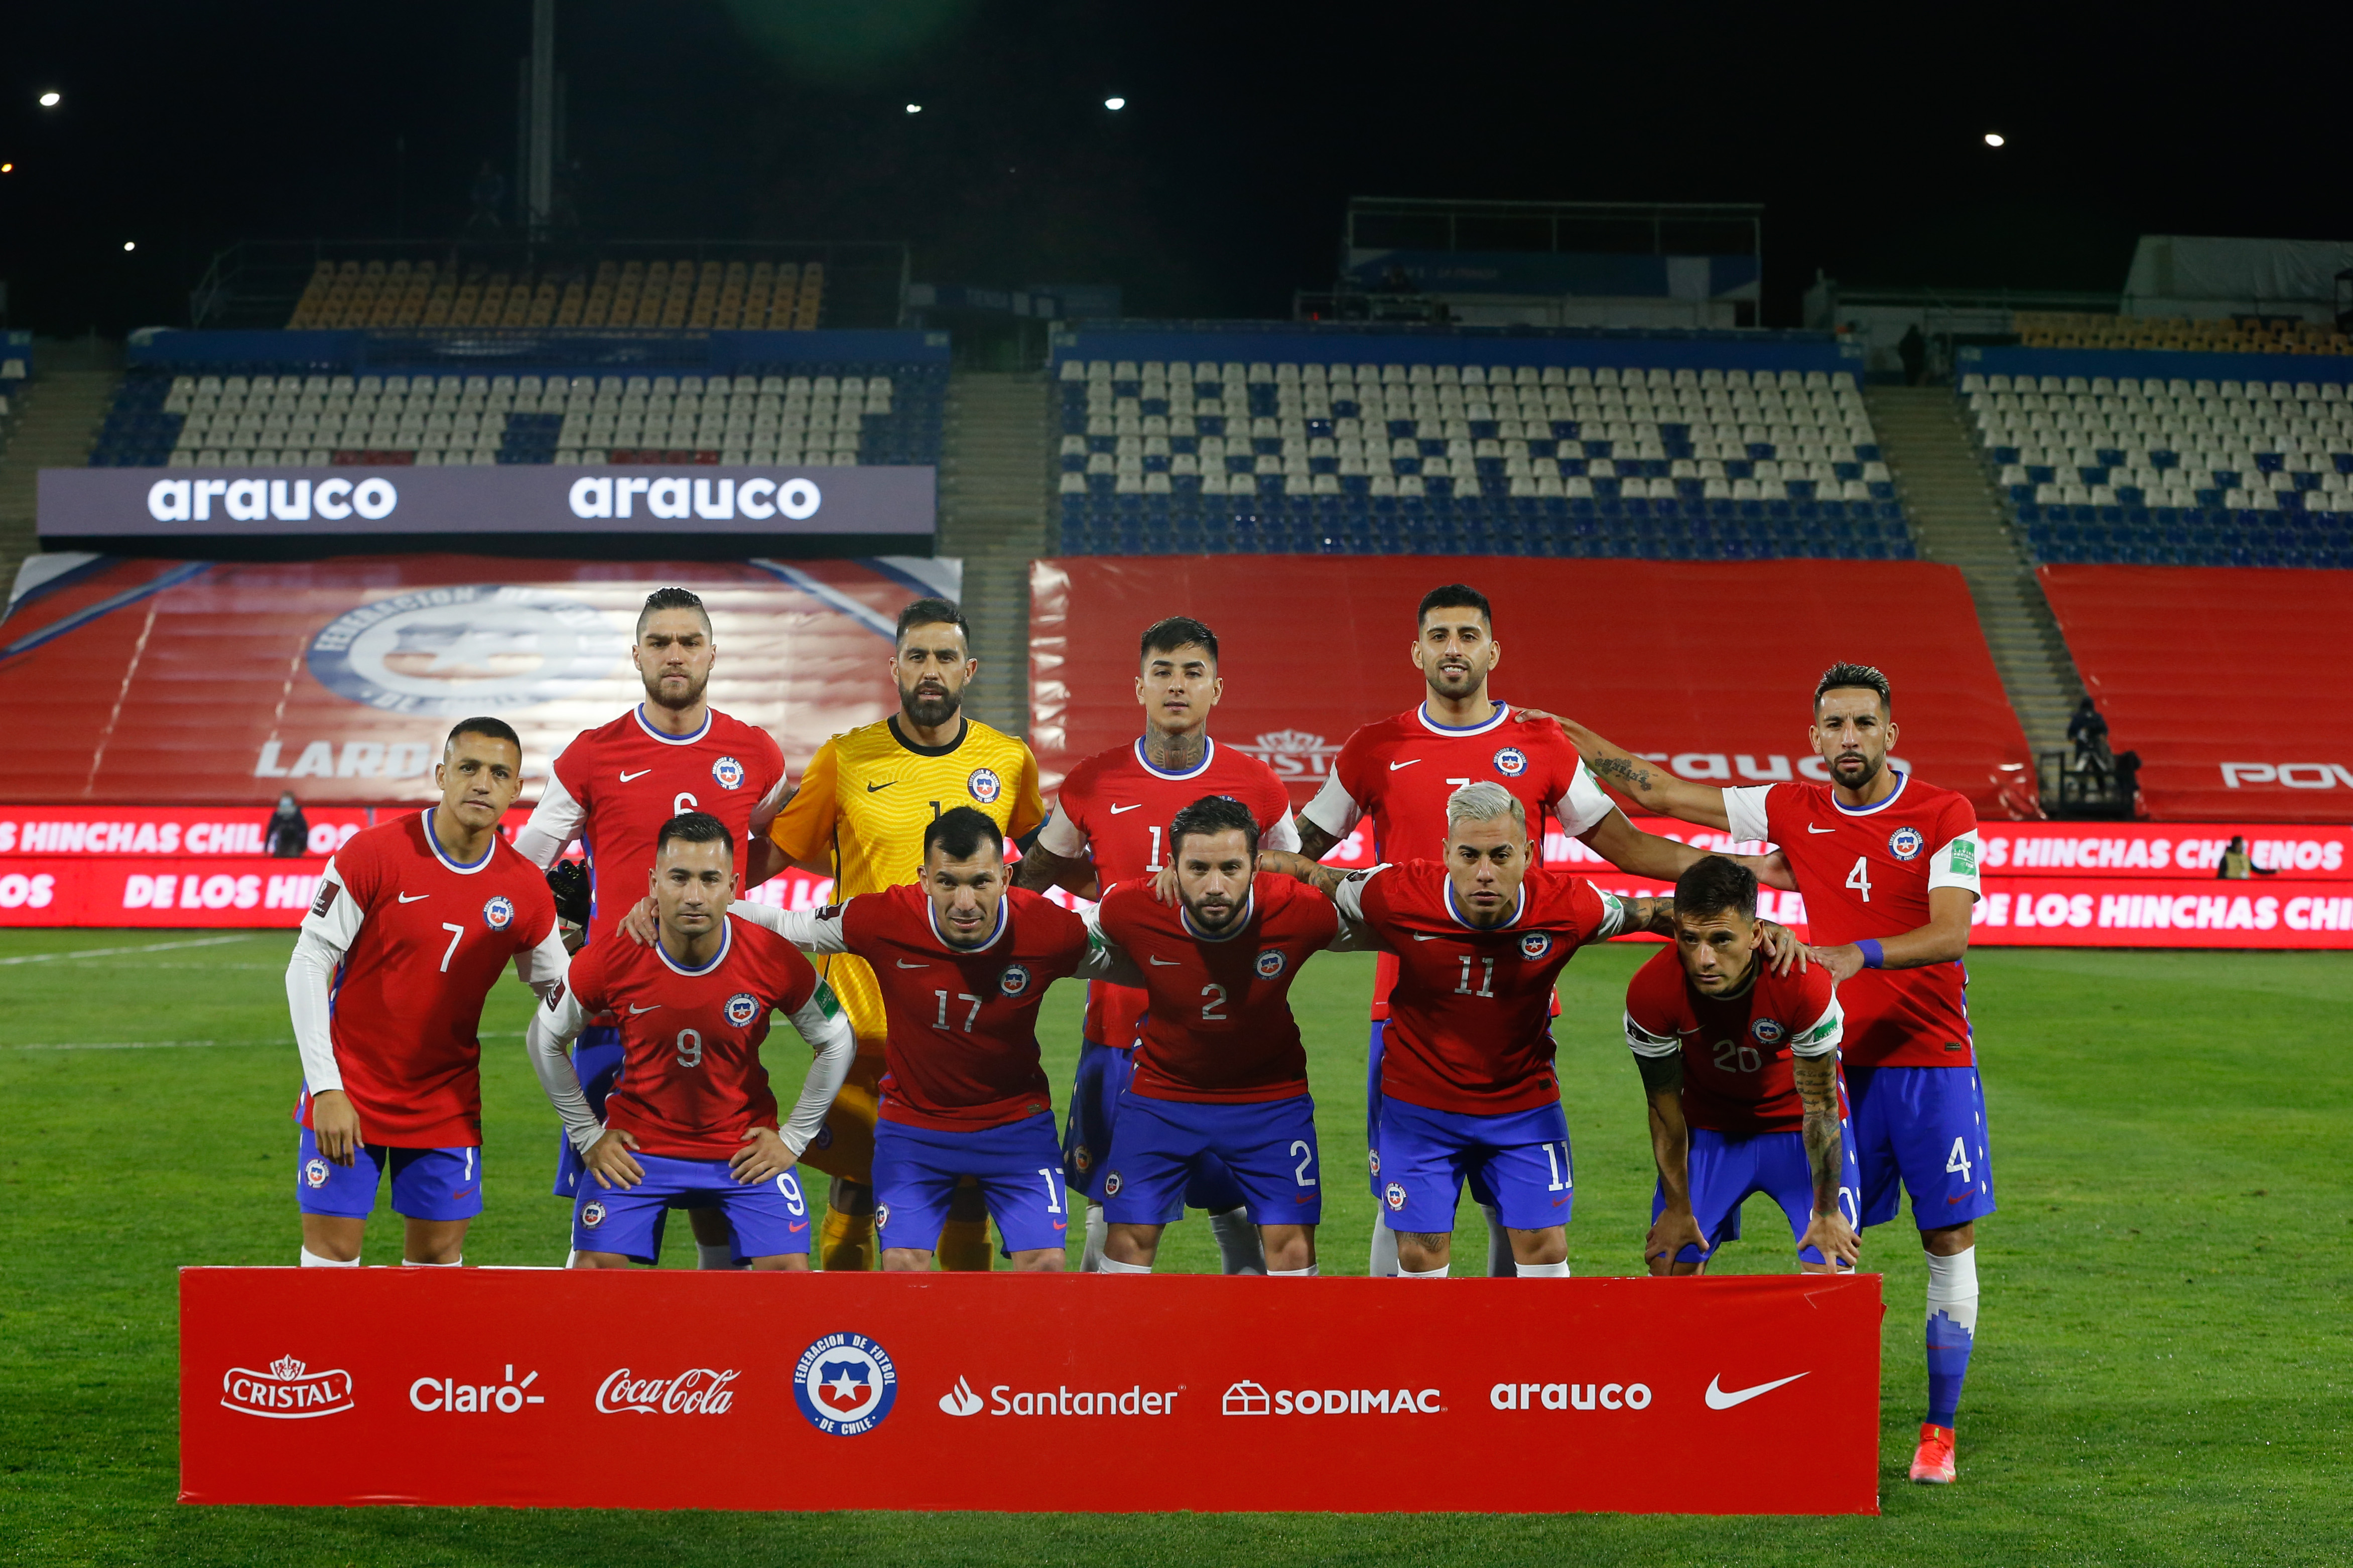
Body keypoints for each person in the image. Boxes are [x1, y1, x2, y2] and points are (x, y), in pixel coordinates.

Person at [1556, 662, 1989, 1487]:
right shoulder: (1792, 806)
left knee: (1945, 1239)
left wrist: (1848, 953)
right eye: (1834, 726)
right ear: (1814, 737)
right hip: (1820, 1063)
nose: (1849, 739)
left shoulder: (1943, 813)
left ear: (1890, 733)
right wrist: (1570, 744)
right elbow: (1664, 796)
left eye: (1864, 724)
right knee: (1828, 1246)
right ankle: (1763, 1414)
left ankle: (1937, 1430)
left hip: (1924, 1062)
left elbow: (1949, 935)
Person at [1291, 582, 1790, 1278]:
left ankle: (1507, 1365)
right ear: (1417, 651)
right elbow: (1297, 852)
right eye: (1439, 636)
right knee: (1401, 1202)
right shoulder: (1373, 747)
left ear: (1493, 649)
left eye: (1468, 635)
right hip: (1404, 1007)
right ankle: (1397, 1356)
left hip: (1521, 1003)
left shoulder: (1540, 743)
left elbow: (1630, 848)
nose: (1454, 649)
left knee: (1516, 1200)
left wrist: (1743, 872)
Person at [1258, 782, 1689, 1278]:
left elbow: (1656, 913)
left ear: (1528, 854)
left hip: (1523, 1107)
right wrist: (1243, 869)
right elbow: (1315, 873)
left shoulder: (1569, 905)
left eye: (1500, 854)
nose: (1484, 872)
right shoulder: (1397, 892)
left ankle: (1531, 1356)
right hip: (1419, 1106)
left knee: (1545, 1246)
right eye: (1468, 854)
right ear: (1446, 853)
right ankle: (1423, 1355)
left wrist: (1759, 931)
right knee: (1419, 1251)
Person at [756, 596, 1044, 1272]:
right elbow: (772, 855)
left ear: (969, 667)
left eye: (945, 656)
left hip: (969, 1018)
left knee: (968, 1190)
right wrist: (693, 891)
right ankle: (847, 1337)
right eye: (917, 656)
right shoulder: (846, 758)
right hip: (865, 1017)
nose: (931, 669)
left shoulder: (1008, 760)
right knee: (856, 1184)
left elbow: (1036, 865)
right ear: (894, 666)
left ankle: (957, 1348)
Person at [727, 808, 1134, 1270]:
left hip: (1016, 1126)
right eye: (948, 882)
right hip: (914, 1127)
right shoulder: (886, 918)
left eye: (981, 882)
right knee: (903, 1263)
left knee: (1044, 1264)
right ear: (924, 879)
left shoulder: (1046, 928)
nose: (965, 901)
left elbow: (1131, 966)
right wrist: (700, 904)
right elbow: (789, 925)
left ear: (1005, 877)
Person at [514, 586, 790, 1269]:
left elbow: (772, 843)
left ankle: (716, 1368)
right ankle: (610, 1362)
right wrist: (557, 961)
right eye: (661, 642)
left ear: (713, 655)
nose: (676, 655)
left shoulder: (756, 753)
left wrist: (723, 901)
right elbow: (522, 871)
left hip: (721, 1013)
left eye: (689, 642)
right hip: (618, 1019)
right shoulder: (591, 755)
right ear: (636, 653)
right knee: (611, 1228)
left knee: (722, 1224)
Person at [1013, 615, 1296, 1274]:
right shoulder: (1091, 782)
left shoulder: (1257, 785)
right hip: (1118, 1035)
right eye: (1162, 672)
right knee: (1112, 1205)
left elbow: (1290, 883)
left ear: (1217, 689)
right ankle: (1097, 1360)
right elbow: (1036, 874)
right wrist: (1115, 897)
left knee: (1238, 1208)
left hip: (1231, 1041)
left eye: (1193, 673)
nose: (1177, 686)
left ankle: (1251, 1355)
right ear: (1138, 686)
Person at [284, 717, 567, 1268]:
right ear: (442, 774)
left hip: (445, 1101)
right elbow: (309, 962)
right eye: (468, 768)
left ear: (515, 790)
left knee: (437, 1264)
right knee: (330, 1259)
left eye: (499, 773)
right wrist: (326, 1088)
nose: (482, 783)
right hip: (351, 1090)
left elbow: (561, 991)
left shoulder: (525, 888)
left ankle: (418, 1361)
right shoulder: (374, 852)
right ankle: (334, 1361)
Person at [526, 813, 855, 1270]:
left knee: (789, 1280)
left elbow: (837, 1038)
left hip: (742, 1150)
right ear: (654, 881)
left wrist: (795, 1138)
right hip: (639, 1150)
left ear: (733, 885)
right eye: (679, 878)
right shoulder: (613, 956)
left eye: (709, 879)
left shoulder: (771, 955)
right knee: (593, 1274)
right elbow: (543, 1037)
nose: (694, 895)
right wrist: (587, 1135)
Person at [1090, 796, 1361, 1275]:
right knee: (1128, 1240)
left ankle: (1286, 1351)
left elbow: (1386, 904)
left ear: (1258, 865)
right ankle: (1118, 1349)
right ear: (1171, 866)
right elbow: (1056, 937)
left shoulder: (1300, 910)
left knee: (1293, 1249)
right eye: (1197, 868)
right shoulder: (1132, 908)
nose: (1215, 886)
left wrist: (1301, 869)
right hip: (1161, 1096)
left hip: (1270, 1099)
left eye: (1231, 867)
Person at [1623, 856, 1859, 1277]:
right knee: (1669, 1263)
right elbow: (1663, 1107)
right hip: (1710, 1130)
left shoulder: (1802, 983)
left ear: (1755, 934)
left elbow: (1821, 1107)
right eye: (1691, 939)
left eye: (1721, 940)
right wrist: (1677, 1208)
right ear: (1676, 930)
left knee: (1830, 1264)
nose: (1704, 958)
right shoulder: (1650, 992)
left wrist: (1826, 1212)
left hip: (1796, 1131)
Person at [2067, 697, 2110, 774]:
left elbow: (2071, 733)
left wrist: (2074, 739)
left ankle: (2082, 785)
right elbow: (2104, 731)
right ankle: (2102, 785)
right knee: (2100, 774)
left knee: (2081, 773)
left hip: (2081, 748)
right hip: (2096, 748)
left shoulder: (2078, 717)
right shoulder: (2098, 717)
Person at [266, 792, 310, 859]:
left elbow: (304, 830)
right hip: (280, 844)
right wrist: (266, 846)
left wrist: (303, 844)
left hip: (293, 844)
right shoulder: (278, 814)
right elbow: (270, 830)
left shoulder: (297, 814)